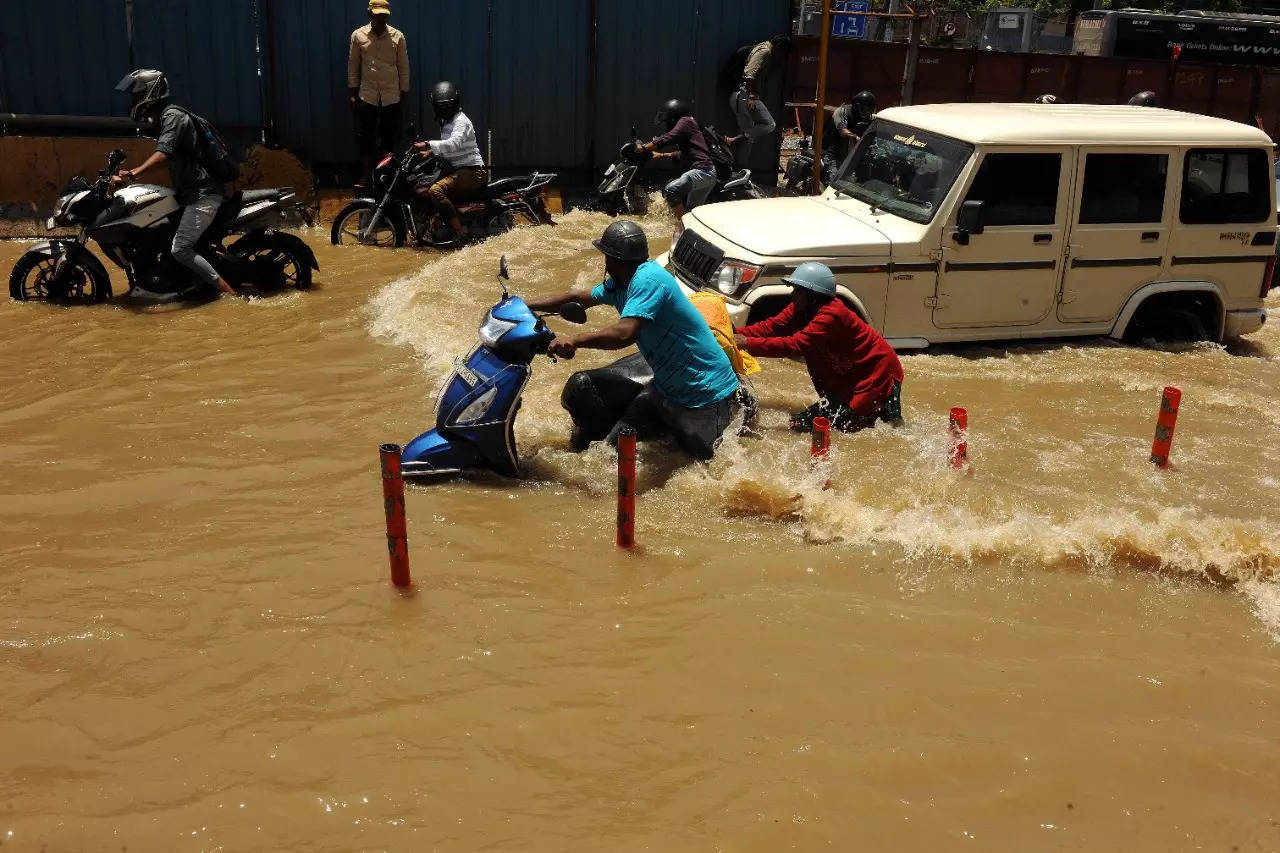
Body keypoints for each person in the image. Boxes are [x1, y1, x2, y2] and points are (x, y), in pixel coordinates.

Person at [527, 221, 743, 460]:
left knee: (703, 468)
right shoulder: (620, 284)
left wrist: (576, 340)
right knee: (609, 453)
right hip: (664, 390)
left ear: (611, 259)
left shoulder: (647, 280)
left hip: (703, 395)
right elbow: (578, 298)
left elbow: (625, 333)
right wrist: (524, 305)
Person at [111, 69, 238, 297]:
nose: (134, 100)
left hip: (204, 194)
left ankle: (231, 295)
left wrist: (134, 173)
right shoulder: (165, 119)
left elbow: (163, 154)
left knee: (180, 249)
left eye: (136, 95)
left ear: (149, 93)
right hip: (190, 193)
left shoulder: (173, 117)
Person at [734, 262, 903, 433]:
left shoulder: (831, 314)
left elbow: (794, 345)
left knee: (808, 424)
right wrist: (733, 333)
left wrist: (746, 343)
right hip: (853, 372)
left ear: (813, 296)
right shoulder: (800, 308)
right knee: (863, 423)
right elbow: (770, 327)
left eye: (797, 291)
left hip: (876, 373)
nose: (793, 296)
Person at [411, 81, 487, 243]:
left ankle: (460, 233)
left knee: (435, 191)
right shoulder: (447, 122)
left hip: (473, 171)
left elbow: (454, 144)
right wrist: (429, 152)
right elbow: (449, 147)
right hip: (459, 170)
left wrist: (428, 144)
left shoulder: (461, 121)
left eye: (446, 106)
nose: (443, 109)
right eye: (440, 106)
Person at [348, 0, 409, 181]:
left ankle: (385, 176)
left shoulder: (397, 36)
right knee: (366, 137)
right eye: (378, 15)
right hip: (367, 96)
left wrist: (403, 93)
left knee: (388, 137)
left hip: (391, 96)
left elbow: (403, 67)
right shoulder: (358, 36)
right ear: (370, 14)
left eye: (384, 15)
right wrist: (352, 93)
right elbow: (353, 66)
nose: (382, 19)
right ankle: (366, 176)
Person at [640, 100, 716, 218]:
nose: (666, 124)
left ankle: (681, 226)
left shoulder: (685, 121)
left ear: (673, 117)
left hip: (703, 171)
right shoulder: (689, 124)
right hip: (706, 172)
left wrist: (643, 148)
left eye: (667, 120)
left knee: (671, 190)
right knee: (692, 214)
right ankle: (688, 229)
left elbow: (667, 138)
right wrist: (662, 155)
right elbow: (684, 154)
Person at [727, 78, 776, 168]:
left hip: (735, 97)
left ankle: (739, 169)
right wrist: (752, 97)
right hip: (748, 97)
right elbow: (752, 76)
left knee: (747, 137)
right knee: (770, 124)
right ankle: (740, 138)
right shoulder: (757, 64)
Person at [824, 90, 875, 164]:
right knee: (835, 175)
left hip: (851, 159)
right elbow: (842, 131)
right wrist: (856, 137)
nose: (868, 113)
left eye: (870, 110)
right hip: (834, 157)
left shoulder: (865, 117)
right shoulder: (841, 111)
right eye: (866, 109)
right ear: (858, 106)